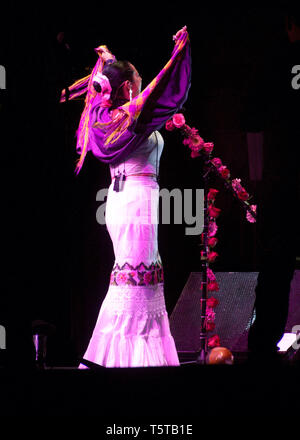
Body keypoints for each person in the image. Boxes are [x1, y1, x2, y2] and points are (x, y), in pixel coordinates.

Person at [61, 26, 191, 367]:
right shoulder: (131, 118)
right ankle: (131, 361)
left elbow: (119, 91)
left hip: (122, 202)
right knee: (137, 277)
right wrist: (179, 55)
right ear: (130, 87)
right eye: (139, 80)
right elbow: (162, 91)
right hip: (135, 200)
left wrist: (110, 63)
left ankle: (118, 355)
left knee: (133, 275)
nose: (144, 85)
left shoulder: (105, 118)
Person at [243, 6, 300, 361]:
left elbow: (252, 124)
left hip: (282, 185)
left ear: (289, 24)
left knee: (275, 269)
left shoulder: (271, 62)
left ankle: (262, 353)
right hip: (283, 184)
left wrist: (257, 181)